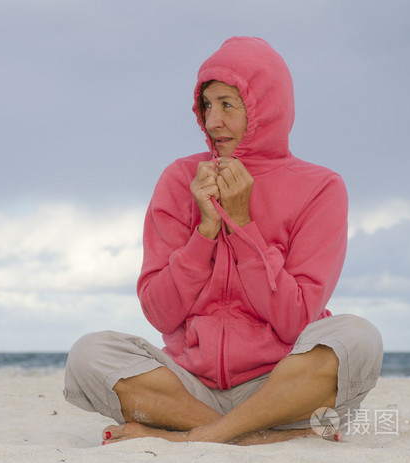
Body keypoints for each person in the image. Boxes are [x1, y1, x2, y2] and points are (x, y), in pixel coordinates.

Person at [64, 36, 383, 446]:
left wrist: (242, 223)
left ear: (265, 108)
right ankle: (247, 435)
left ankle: (196, 435)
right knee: (90, 353)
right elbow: (160, 313)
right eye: (207, 105)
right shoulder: (180, 179)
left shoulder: (321, 187)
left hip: (281, 385)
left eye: (228, 105)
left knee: (359, 336)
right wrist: (206, 232)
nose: (213, 121)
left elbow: (295, 319)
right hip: (188, 387)